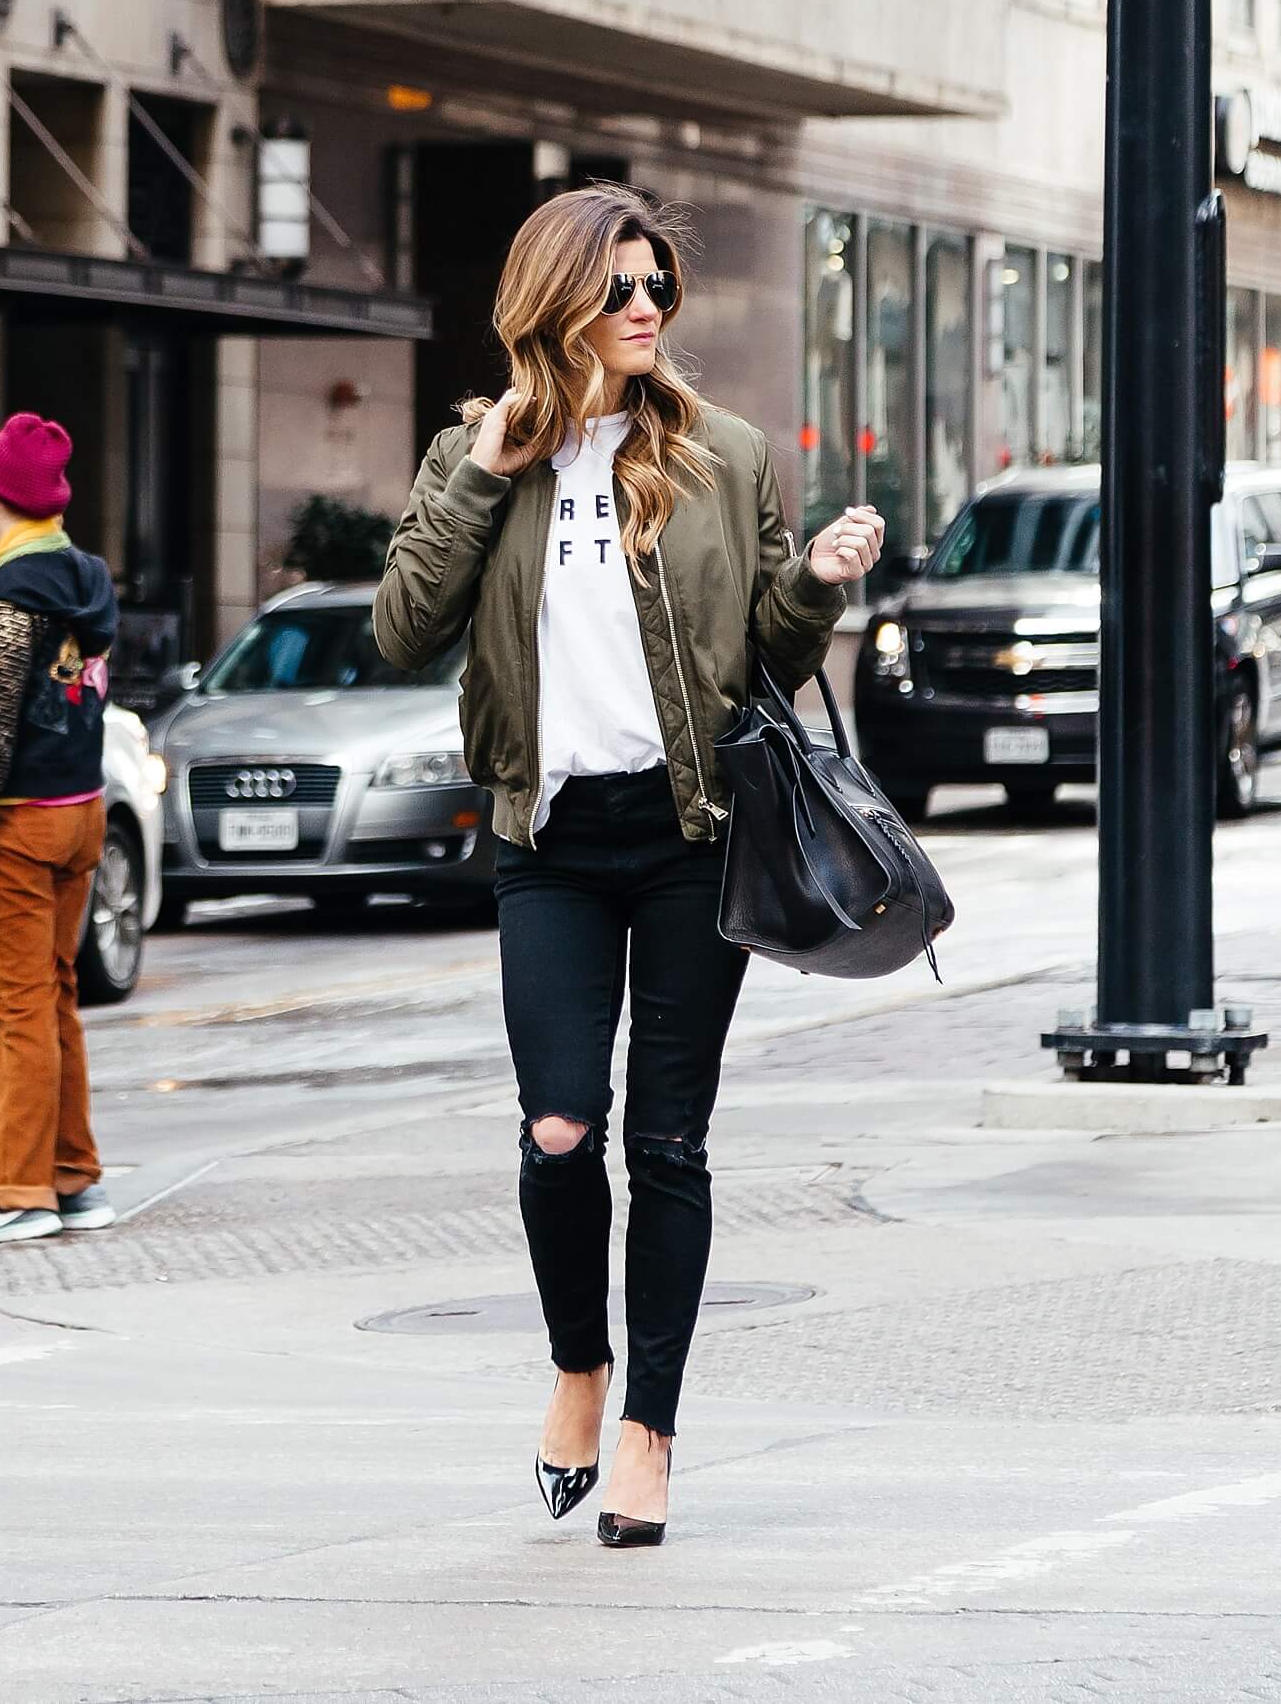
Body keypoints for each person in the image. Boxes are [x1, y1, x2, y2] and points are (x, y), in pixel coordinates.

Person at [373, 186, 882, 1545]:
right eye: (621, 290)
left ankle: (651, 1429)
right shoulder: (473, 455)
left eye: (660, 287)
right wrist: (483, 472)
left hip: (688, 841)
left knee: (664, 1142)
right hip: (547, 843)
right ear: (557, 303)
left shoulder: (725, 453)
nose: (649, 310)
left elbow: (767, 659)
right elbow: (402, 631)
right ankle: (576, 1367)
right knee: (558, 1127)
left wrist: (820, 580)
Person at [0, 414, 120, 1247]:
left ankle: (15, 1192)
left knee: (18, 1006)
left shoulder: (10, 589)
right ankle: (71, 1177)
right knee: (57, 996)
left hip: (14, 825)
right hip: (78, 812)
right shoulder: (83, 576)